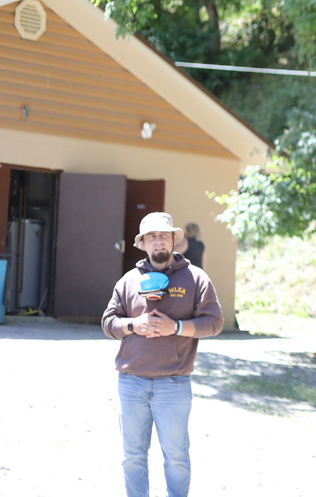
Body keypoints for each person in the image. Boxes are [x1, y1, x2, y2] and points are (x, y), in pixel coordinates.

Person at [102, 212, 224, 497]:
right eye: (152, 236)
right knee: (133, 456)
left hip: (174, 383)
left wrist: (176, 327)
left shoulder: (196, 278)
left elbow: (214, 323)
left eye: (164, 236)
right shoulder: (128, 281)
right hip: (131, 382)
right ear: (143, 243)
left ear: (173, 240)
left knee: (176, 457)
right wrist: (133, 325)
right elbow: (108, 323)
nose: (158, 241)